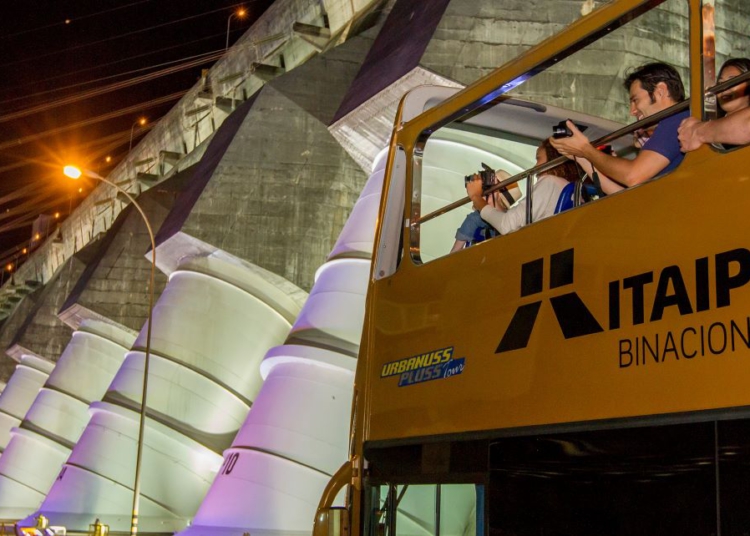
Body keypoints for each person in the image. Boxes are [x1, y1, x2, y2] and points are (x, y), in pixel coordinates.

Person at [550, 62, 688, 190]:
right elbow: (622, 193)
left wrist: (586, 149)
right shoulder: (672, 124)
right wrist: (581, 157)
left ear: (661, 91)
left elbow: (633, 176)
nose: (632, 111)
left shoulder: (677, 119)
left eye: (635, 100)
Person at [459, 139, 578, 242]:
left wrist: (476, 197)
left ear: (553, 159)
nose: (535, 167)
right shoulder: (567, 187)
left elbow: (506, 225)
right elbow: (515, 225)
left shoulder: (549, 181)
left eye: (538, 159)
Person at [678, 57, 750, 151]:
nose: (724, 88)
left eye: (733, 81)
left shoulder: (705, 130)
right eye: (720, 83)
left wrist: (698, 131)